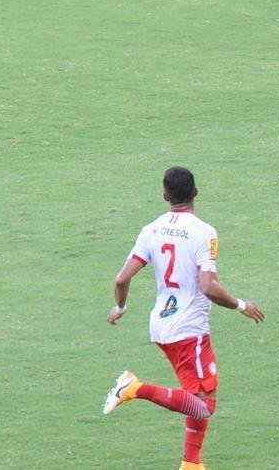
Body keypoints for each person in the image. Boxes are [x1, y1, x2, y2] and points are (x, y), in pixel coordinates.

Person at [102, 166, 264, 470]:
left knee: (196, 392)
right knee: (204, 404)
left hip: (160, 326)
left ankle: (191, 464)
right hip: (189, 329)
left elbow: (121, 279)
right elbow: (208, 286)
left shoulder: (151, 229)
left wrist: (120, 309)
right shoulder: (204, 232)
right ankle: (134, 388)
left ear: (165, 196)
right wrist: (242, 305)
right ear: (196, 193)